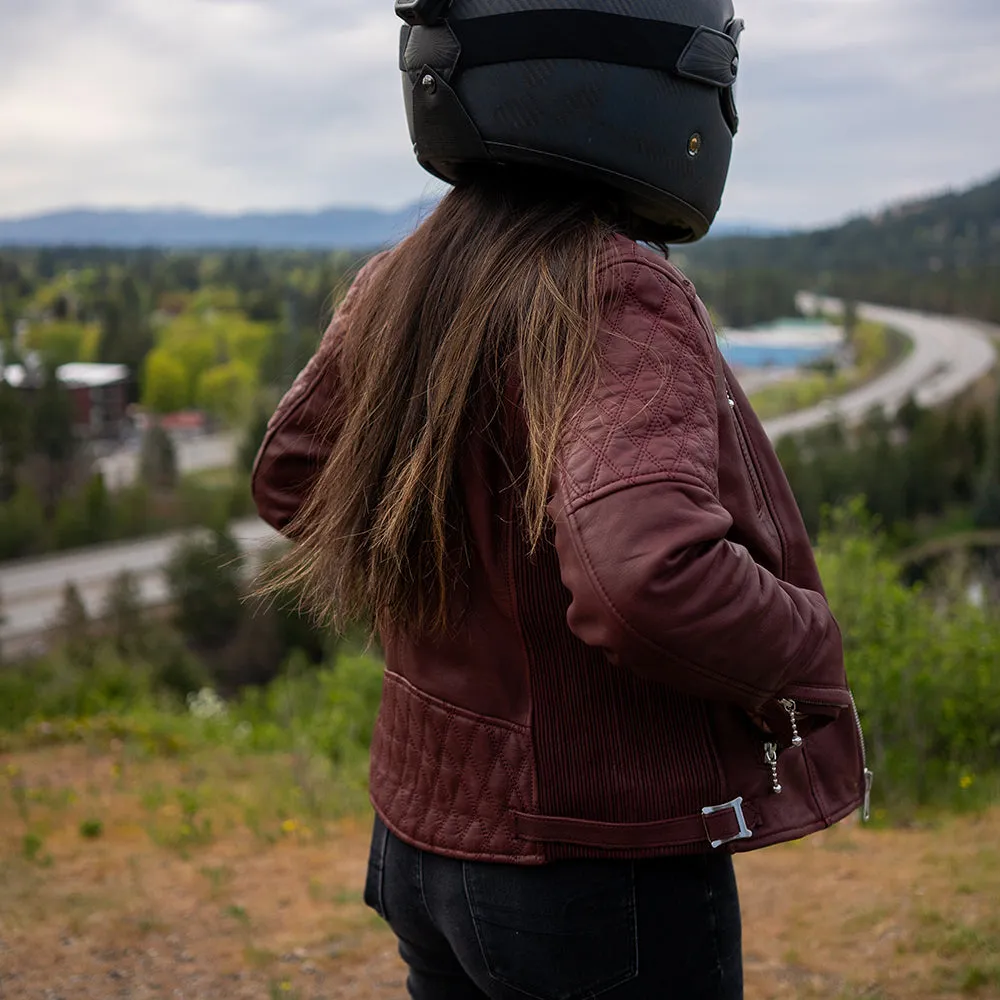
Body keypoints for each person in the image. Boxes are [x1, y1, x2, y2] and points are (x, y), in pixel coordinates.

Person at [252, 1, 870, 996]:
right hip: (591, 866)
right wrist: (807, 640)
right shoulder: (615, 286)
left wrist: (467, 570)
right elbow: (646, 575)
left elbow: (293, 476)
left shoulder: (407, 273)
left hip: (421, 837)